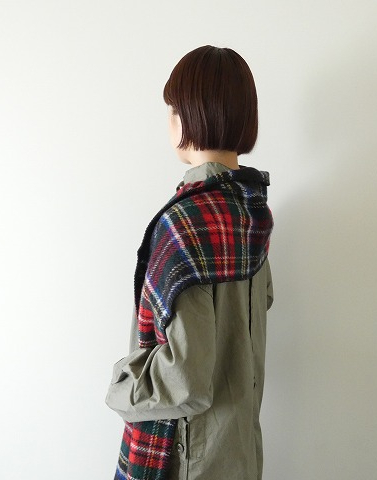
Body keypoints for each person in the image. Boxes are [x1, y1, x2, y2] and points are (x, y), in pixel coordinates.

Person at [106, 45, 274, 480]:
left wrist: (123, 387)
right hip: (240, 451)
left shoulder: (185, 225)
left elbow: (185, 378)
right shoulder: (252, 212)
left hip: (188, 462)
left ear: (186, 117)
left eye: (172, 109)